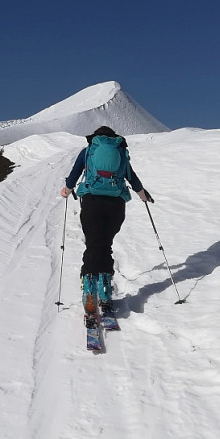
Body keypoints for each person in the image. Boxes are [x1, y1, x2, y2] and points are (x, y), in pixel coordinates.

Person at [60, 126, 152, 320]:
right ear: (114, 138)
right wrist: (143, 195)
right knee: (105, 244)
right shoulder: (120, 151)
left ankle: (89, 290)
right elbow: (131, 177)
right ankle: (104, 288)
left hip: (92, 202)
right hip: (116, 205)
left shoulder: (88, 151)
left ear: (96, 138)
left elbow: (75, 173)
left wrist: (66, 191)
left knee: (93, 244)